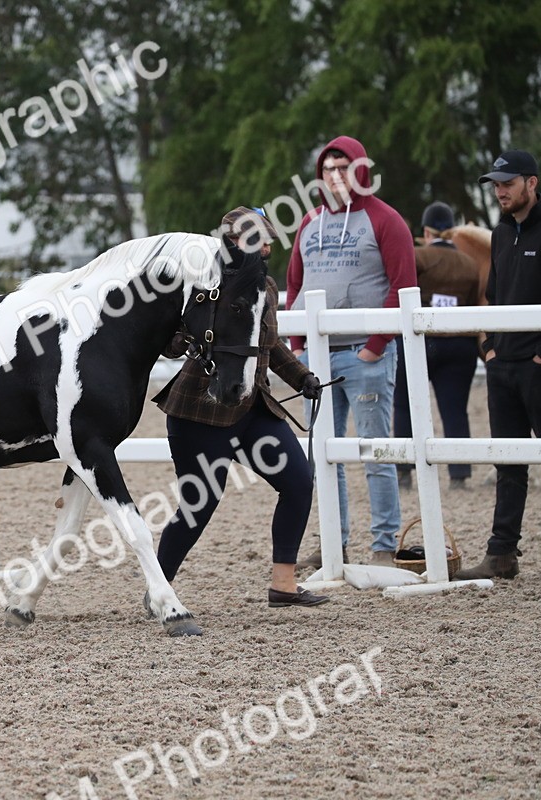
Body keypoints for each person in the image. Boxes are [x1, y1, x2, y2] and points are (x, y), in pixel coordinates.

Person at [152, 207, 329, 608]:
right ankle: (159, 587)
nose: (267, 248)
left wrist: (301, 377)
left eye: (268, 241)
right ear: (233, 242)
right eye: (259, 241)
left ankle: (283, 585)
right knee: (199, 505)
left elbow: (269, 344)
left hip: (253, 407)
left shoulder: (265, 287)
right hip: (201, 411)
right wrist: (187, 339)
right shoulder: (201, 282)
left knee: (298, 482)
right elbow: (170, 342)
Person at [287, 136, 417, 568]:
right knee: (324, 456)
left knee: (376, 453)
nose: (335, 176)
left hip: (365, 355)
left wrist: (376, 346)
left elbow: (403, 286)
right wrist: (299, 347)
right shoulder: (309, 222)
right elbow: (295, 284)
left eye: (343, 167)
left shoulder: (386, 220)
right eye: (328, 169)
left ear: (360, 169)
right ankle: (333, 543)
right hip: (316, 359)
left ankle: (383, 546)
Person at [455, 150, 541, 582]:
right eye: (496, 184)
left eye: (507, 183)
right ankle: (502, 552)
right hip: (503, 366)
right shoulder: (501, 232)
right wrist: (490, 347)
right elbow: (492, 295)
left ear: (532, 182)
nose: (500, 191)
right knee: (507, 462)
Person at [394, 201, 482, 491]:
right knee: (455, 410)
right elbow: (472, 303)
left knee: (405, 405)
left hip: (421, 342)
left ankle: (404, 472)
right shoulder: (470, 264)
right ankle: (459, 474)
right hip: (459, 344)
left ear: (427, 232)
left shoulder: (417, 255)